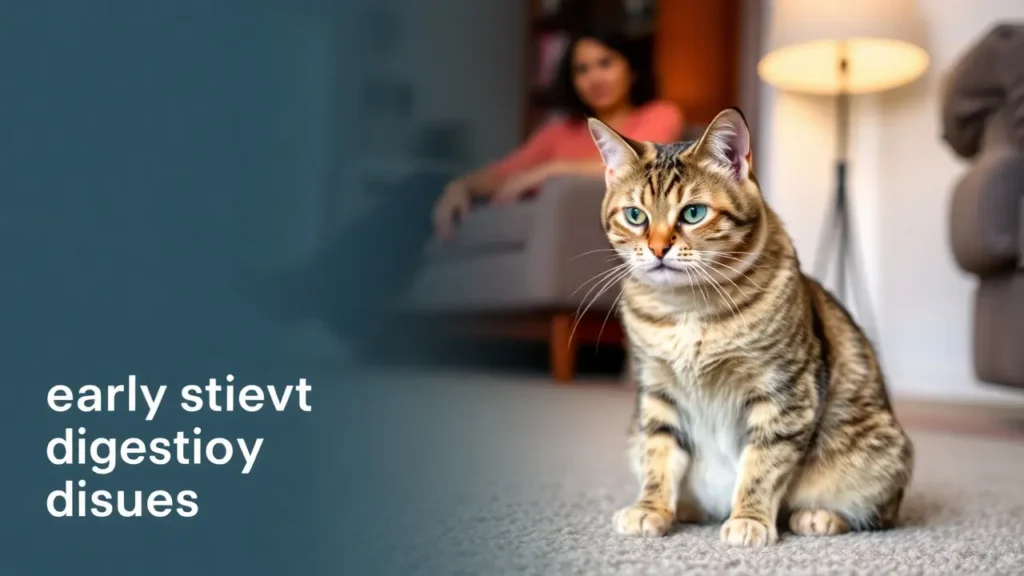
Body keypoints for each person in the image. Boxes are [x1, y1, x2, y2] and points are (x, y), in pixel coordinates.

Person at [256, 28, 684, 346]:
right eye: (581, 69)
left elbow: (648, 172)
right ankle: (330, 298)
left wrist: (546, 172)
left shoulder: (658, 115)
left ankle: (309, 295)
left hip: (564, 214)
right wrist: (461, 188)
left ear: (631, 66)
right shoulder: (562, 129)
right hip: (502, 207)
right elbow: (501, 171)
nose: (594, 77)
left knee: (417, 196)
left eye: (605, 63)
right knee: (424, 187)